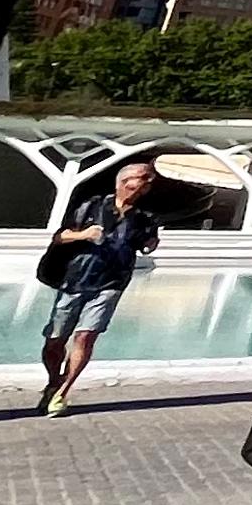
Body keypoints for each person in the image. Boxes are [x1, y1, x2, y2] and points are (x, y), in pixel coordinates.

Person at [38, 155, 164, 415]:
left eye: (145, 186)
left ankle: (62, 392)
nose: (140, 190)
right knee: (55, 340)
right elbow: (60, 236)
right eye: (136, 184)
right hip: (74, 280)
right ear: (122, 182)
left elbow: (146, 243)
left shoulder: (145, 217)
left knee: (85, 336)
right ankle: (54, 382)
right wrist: (84, 234)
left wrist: (152, 243)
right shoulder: (90, 206)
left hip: (112, 283)